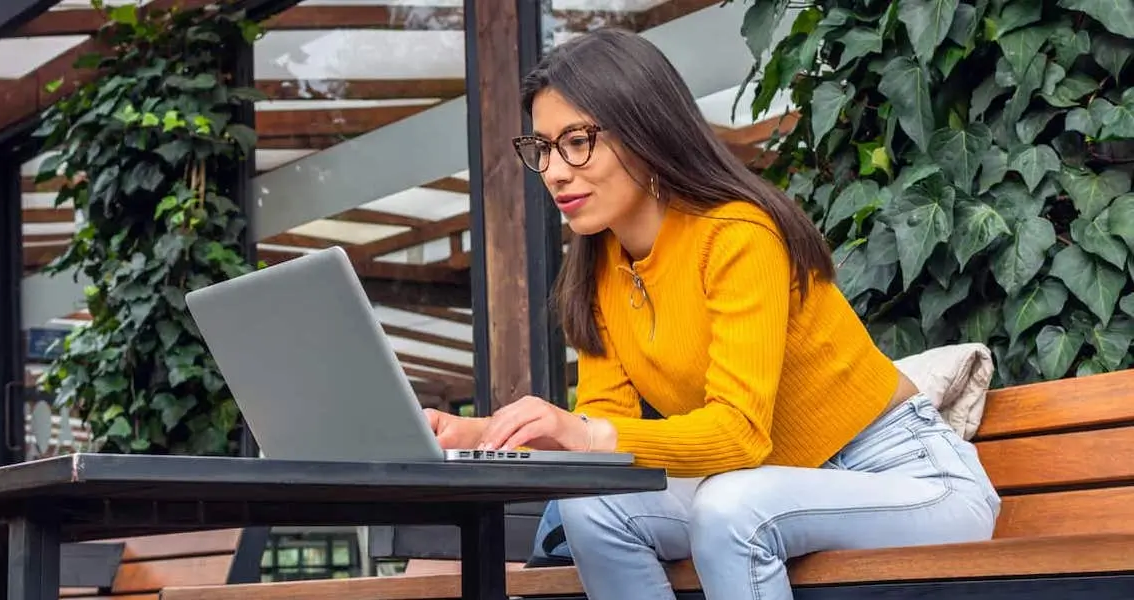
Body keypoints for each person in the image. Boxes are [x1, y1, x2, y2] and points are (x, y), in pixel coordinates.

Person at [423, 28, 1001, 600]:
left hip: (907, 479)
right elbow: (601, 432)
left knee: (732, 507)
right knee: (594, 507)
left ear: (644, 131)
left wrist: (581, 432)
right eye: (543, 148)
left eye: (577, 141)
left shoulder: (736, 235)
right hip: (777, 488)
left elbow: (738, 434)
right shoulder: (600, 268)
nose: (554, 170)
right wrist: (484, 437)